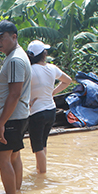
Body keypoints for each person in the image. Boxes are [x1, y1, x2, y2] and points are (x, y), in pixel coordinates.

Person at [0, 20, 31, 194]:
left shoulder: (15, 60)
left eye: (2, 38)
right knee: (14, 156)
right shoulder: (17, 56)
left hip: (12, 117)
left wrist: (1, 123)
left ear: (14, 37)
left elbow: (14, 94)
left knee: (2, 158)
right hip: (19, 116)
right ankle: (16, 193)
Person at [26, 40, 72, 174]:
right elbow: (67, 81)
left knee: (37, 146)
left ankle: (42, 175)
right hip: (51, 110)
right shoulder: (52, 68)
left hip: (37, 112)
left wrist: (28, 102)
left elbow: (22, 91)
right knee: (43, 142)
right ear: (44, 54)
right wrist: (53, 92)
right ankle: (39, 169)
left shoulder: (29, 70)